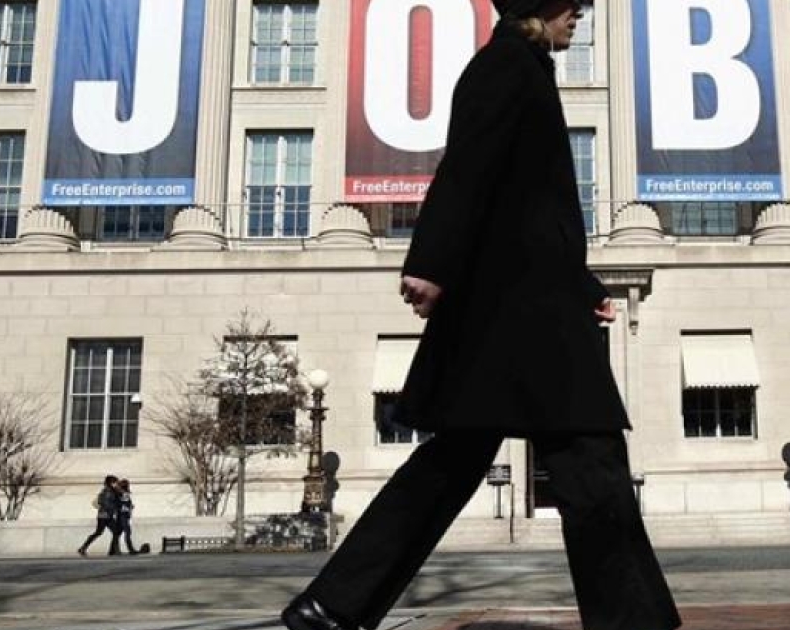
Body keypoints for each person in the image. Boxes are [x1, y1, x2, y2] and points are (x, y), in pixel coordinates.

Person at [281, 1, 680, 630]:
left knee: (457, 464)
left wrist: (582, 286)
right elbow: (467, 168)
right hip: (521, 317)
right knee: (590, 461)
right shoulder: (505, 67)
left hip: (523, 310)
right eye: (570, 3)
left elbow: (529, 207)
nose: (580, 13)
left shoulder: (525, 67)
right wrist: (431, 261)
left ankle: (332, 604)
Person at [77, 475, 120, 557]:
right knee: (104, 532)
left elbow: (100, 503)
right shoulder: (108, 492)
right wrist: (115, 508)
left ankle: (112, 550)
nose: (116, 484)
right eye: (115, 483)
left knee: (111, 532)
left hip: (105, 515)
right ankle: (112, 551)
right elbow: (106, 504)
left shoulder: (109, 491)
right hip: (105, 515)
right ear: (111, 483)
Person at [115, 478, 142, 555]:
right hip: (123, 515)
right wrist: (129, 507)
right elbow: (124, 504)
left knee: (118, 533)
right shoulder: (124, 493)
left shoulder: (119, 493)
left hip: (121, 515)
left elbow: (122, 504)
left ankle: (116, 550)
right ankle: (130, 549)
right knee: (127, 532)